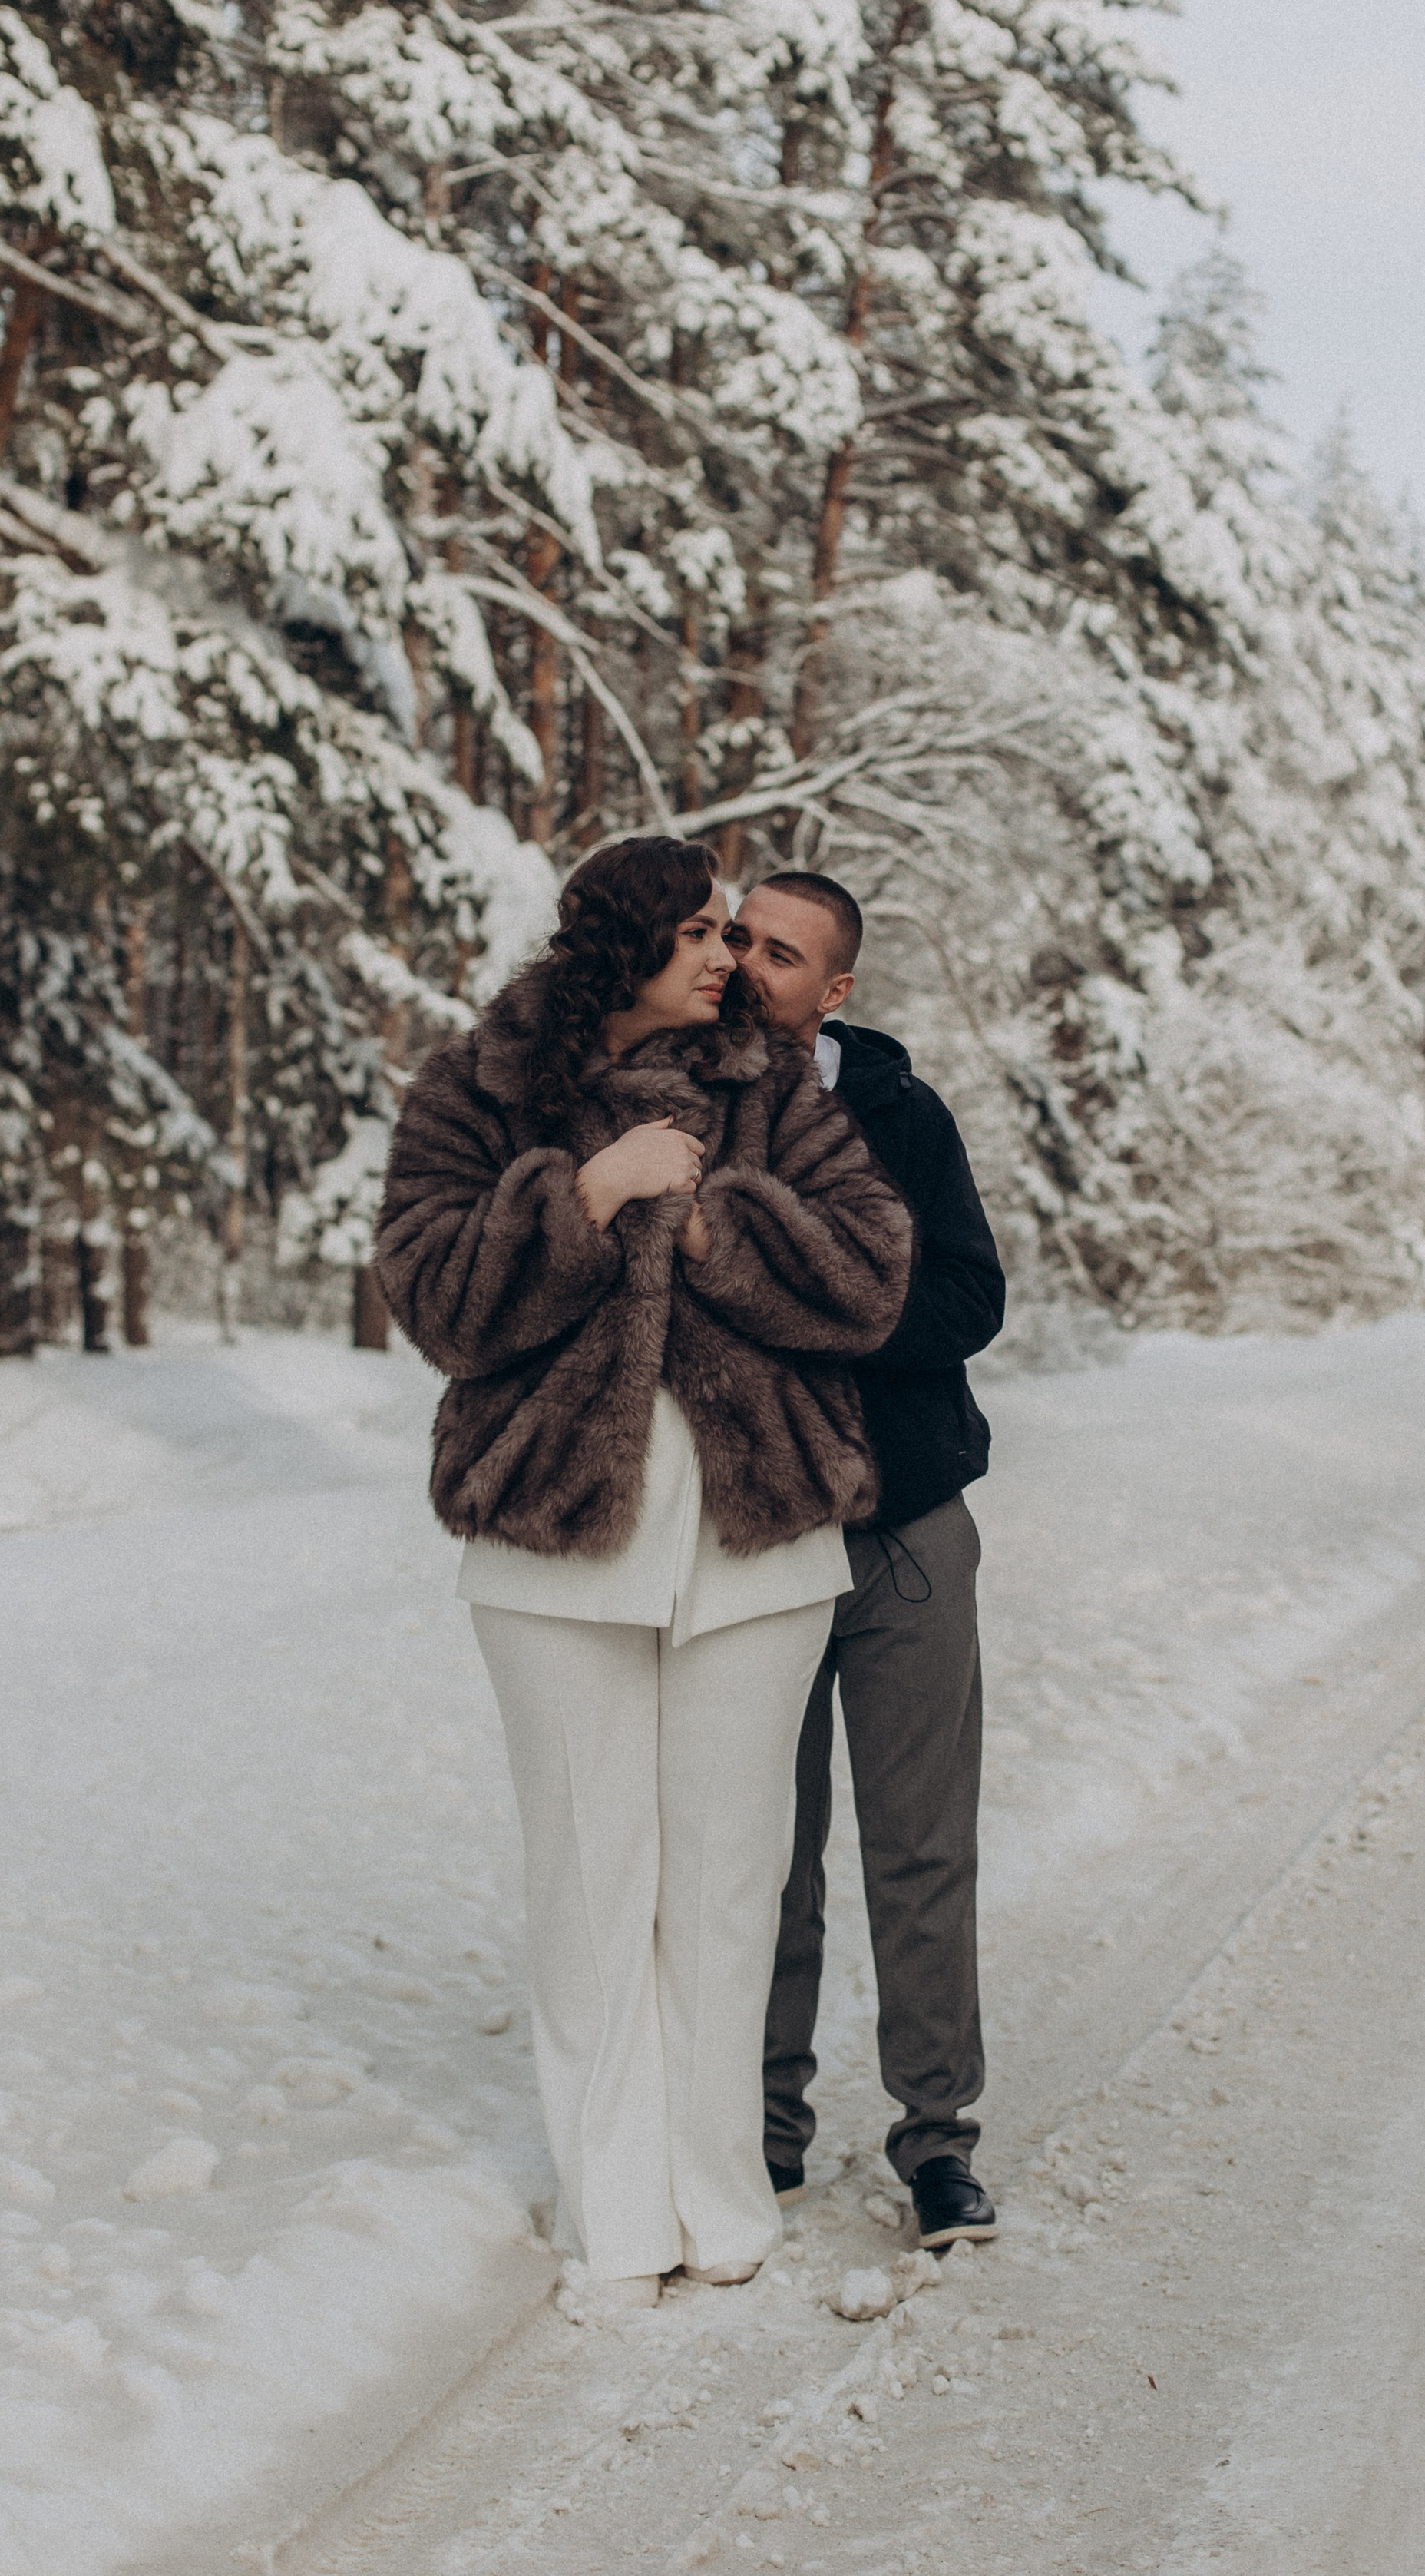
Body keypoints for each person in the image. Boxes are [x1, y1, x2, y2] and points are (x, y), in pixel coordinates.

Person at [375, 839, 913, 2296]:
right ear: (617, 949)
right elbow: (432, 1296)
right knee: (591, 1887)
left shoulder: (770, 1089)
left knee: (729, 1887)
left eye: (731, 934)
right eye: (696, 931)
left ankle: (719, 2202)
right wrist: (590, 1192)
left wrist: (715, 1213)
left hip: (759, 1540)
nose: (727, 957)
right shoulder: (475, 1091)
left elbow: (872, 1272)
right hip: (553, 1541)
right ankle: (614, 2211)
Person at [727, 872, 1006, 2250]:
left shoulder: (904, 1115)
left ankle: (937, 2147)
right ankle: (761, 2136)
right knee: (760, 1859)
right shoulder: (684, 1102)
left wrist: (817, 1302)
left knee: (920, 1853)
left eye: (780, 952)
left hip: (904, 1541)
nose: (747, 963)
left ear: (835, 989)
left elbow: (970, 1295)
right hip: (752, 1549)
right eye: (736, 936)